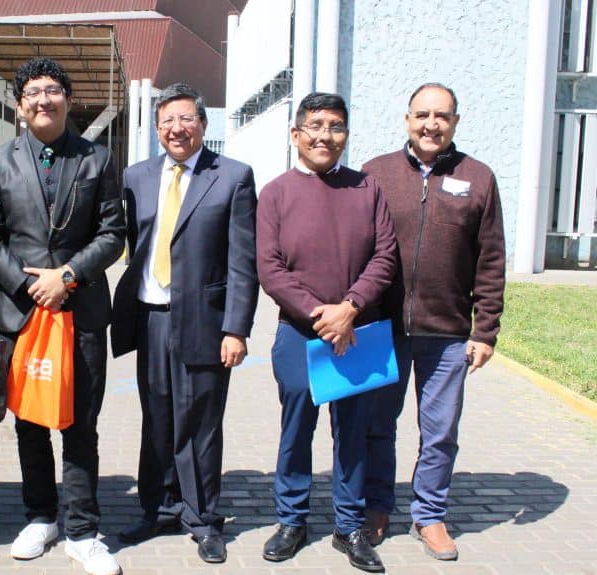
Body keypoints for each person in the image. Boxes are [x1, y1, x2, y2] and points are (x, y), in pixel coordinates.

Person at [0, 57, 126, 575]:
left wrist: (69, 277)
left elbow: (112, 233)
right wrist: (31, 284)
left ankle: (82, 530)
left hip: (79, 314)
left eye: (53, 90)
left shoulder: (98, 159)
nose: (43, 99)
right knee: (30, 421)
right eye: (33, 92)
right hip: (21, 314)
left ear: (67, 98)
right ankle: (40, 515)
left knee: (81, 423)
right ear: (20, 105)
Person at [110, 82, 258, 564]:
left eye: (186, 119)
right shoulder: (136, 177)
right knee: (156, 420)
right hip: (151, 317)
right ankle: (157, 509)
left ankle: (203, 519)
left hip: (207, 323)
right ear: (156, 130)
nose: (177, 128)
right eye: (167, 121)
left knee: (200, 425)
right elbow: (129, 242)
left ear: (203, 124)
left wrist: (236, 328)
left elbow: (242, 260)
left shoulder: (232, 177)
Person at [362, 83, 505, 561]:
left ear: (456, 123)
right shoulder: (375, 173)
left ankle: (429, 514)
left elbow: (491, 260)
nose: (431, 124)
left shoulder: (479, 178)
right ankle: (379, 506)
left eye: (441, 116)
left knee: (440, 430)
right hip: (384, 329)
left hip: (446, 334)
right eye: (422, 114)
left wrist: (486, 329)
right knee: (379, 426)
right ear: (406, 119)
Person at [255, 92, 396, 573]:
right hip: (300, 332)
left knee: (352, 433)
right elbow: (269, 268)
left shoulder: (367, 189)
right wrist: (322, 315)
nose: (324, 135)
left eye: (335, 126)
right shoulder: (275, 193)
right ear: (295, 135)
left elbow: (385, 257)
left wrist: (350, 308)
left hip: (359, 332)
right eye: (314, 125)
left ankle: (349, 525)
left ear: (346, 135)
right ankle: (292, 519)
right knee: (296, 430)